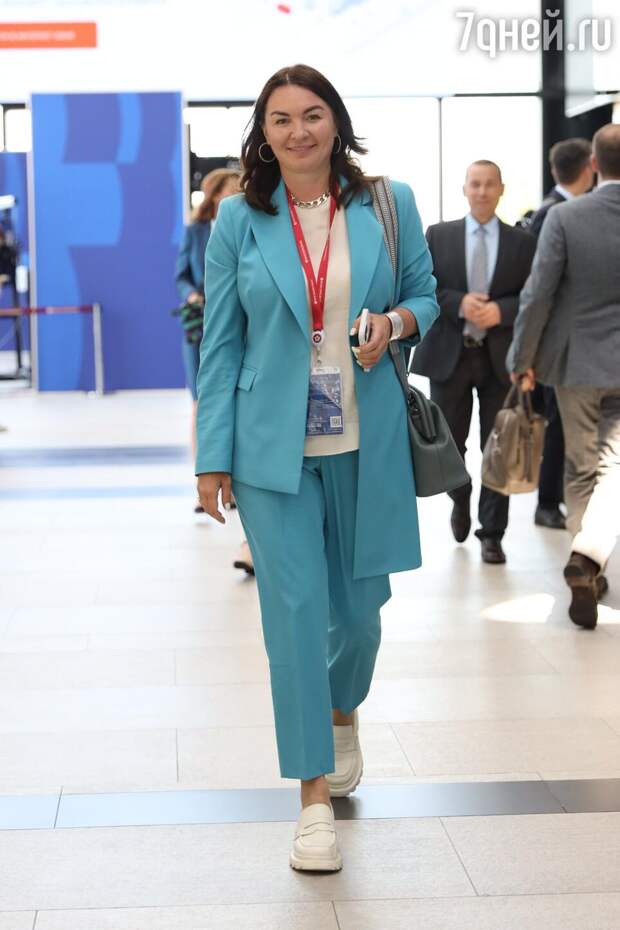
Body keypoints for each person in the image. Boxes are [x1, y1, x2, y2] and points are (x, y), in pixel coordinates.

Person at [195, 64, 438, 871]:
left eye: (311, 114)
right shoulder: (239, 219)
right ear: (263, 134)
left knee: (361, 617)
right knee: (295, 616)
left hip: (367, 441)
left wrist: (395, 322)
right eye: (280, 119)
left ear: (336, 121)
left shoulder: (388, 204)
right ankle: (311, 800)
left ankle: (340, 712)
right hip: (271, 451)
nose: (297, 131)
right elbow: (221, 343)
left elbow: (425, 296)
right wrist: (211, 456)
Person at [508, 123, 620, 631]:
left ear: (594, 164)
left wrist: (522, 357)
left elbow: (538, 294)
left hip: (576, 363)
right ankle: (588, 559)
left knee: (580, 466)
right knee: (613, 464)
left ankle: (586, 562)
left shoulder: (566, 217)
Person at [411, 161, 536, 564]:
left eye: (489, 185)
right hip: (451, 353)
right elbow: (422, 286)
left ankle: (492, 533)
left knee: (498, 446)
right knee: (450, 441)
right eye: (475, 184)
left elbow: (534, 296)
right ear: (464, 189)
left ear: (501, 189)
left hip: (502, 358)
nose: (482, 191)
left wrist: (502, 310)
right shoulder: (439, 235)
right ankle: (460, 494)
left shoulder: (523, 242)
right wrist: (459, 302)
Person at [175, 168, 254, 574]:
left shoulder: (251, 223)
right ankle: (204, 471)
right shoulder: (196, 232)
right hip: (201, 322)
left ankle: (236, 486)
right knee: (201, 399)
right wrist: (192, 294)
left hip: (243, 324)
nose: (233, 196)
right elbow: (181, 274)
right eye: (227, 191)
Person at [528, 138, 594, 531]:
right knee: (556, 424)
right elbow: (540, 287)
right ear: (589, 167)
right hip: (559, 343)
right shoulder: (554, 213)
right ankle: (548, 502)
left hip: (566, 342)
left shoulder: (558, 209)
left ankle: (556, 499)